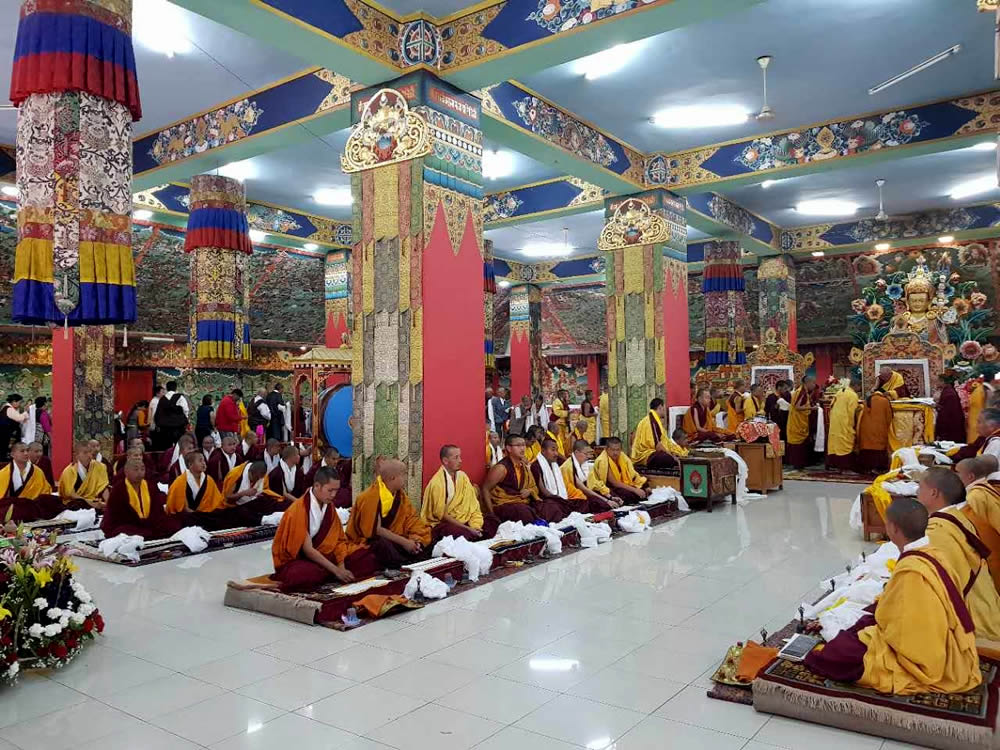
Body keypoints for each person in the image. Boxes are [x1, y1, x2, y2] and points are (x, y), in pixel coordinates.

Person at [804, 497, 980, 695]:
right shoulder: (935, 553)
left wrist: (876, 621)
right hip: (944, 637)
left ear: (894, 529)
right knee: (854, 629)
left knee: (837, 655)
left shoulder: (911, 572)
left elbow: (900, 630)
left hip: (923, 653)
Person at [916, 467, 1000, 640]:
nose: (916, 491)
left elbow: (937, 587)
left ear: (933, 493)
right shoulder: (956, 517)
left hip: (973, 623)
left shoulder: (939, 532)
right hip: (986, 605)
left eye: (920, 487)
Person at [271, 467, 379, 592]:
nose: (333, 495)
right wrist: (336, 571)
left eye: (336, 490)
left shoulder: (329, 507)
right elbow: (308, 550)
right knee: (302, 575)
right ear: (317, 486)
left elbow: (338, 540)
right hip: (299, 559)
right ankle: (328, 573)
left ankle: (327, 573)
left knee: (367, 558)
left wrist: (341, 566)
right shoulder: (298, 510)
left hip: (324, 555)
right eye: (330, 490)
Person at [347, 458, 431, 567]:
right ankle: (403, 560)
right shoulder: (369, 496)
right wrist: (405, 543)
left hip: (394, 538)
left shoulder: (400, 496)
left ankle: (409, 554)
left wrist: (415, 540)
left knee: (427, 536)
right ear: (393, 478)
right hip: (370, 540)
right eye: (404, 475)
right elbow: (375, 530)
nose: (406, 479)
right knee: (381, 545)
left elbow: (412, 519)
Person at [101, 458, 188, 540]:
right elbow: (115, 514)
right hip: (129, 523)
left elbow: (157, 510)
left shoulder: (150, 486)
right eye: (136, 470)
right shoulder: (119, 488)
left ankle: (147, 534)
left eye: (142, 469)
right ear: (126, 472)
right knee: (123, 532)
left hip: (149, 523)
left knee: (174, 524)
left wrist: (152, 521)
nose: (140, 472)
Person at [422, 445, 489, 543]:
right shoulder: (437, 483)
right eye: (456, 458)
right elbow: (441, 515)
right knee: (463, 535)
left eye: (460, 457)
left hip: (464, 518)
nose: (460, 460)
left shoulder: (462, 477)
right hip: (443, 523)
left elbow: (472, 504)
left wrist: (475, 525)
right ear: (445, 461)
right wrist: (468, 528)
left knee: (492, 523)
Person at [481, 434, 541, 525]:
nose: (522, 448)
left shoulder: (523, 466)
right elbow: (485, 489)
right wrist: (492, 514)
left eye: (523, 445)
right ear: (509, 448)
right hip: (503, 505)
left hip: (522, 502)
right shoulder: (501, 468)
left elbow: (534, 487)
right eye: (518, 445)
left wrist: (529, 491)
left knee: (547, 506)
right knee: (523, 512)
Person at [0, 442, 60, 521]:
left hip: (31, 508)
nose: (25, 453)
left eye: (27, 450)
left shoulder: (37, 472)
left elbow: (45, 492)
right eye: (22, 451)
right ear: (12, 454)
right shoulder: (3, 473)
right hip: (12, 508)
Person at [529, 438, 579, 523]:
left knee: (580, 502)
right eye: (553, 450)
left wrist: (562, 499)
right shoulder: (535, 466)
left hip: (556, 498)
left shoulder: (554, 464)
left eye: (557, 450)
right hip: (544, 500)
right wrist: (559, 499)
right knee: (555, 508)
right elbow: (544, 492)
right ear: (543, 451)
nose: (556, 454)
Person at [165, 451, 227, 518]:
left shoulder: (209, 480)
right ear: (190, 464)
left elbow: (216, 502)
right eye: (200, 461)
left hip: (207, 515)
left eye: (204, 460)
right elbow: (181, 507)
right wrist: (197, 515)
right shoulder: (180, 482)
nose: (204, 463)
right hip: (188, 517)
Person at [857, 371, 897, 473]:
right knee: (878, 449)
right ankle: (878, 468)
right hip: (879, 431)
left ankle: (866, 468)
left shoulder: (868, 400)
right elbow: (889, 418)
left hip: (866, 431)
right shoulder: (884, 401)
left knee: (867, 448)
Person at [631, 398, 688, 470]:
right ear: (660, 407)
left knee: (670, 455)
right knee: (666, 458)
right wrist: (671, 456)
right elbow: (658, 446)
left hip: (650, 452)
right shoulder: (652, 421)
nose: (664, 411)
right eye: (663, 409)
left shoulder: (652, 419)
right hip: (645, 455)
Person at [588, 436, 648, 502]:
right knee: (630, 495)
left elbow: (632, 474)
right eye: (613, 450)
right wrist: (635, 490)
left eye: (618, 450)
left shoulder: (622, 456)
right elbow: (614, 483)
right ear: (607, 449)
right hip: (607, 488)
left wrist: (642, 485)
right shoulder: (603, 461)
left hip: (623, 484)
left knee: (644, 488)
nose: (615, 453)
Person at [563, 439, 616, 512]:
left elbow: (594, 483)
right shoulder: (568, 467)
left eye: (589, 453)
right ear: (576, 452)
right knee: (601, 504)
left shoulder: (584, 464)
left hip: (585, 492)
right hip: (575, 497)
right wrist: (607, 501)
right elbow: (583, 488)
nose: (588, 456)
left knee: (610, 494)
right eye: (586, 454)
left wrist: (610, 497)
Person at [58, 442, 110, 510]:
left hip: (94, 501)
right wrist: (90, 503)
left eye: (90, 452)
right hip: (77, 502)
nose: (89, 455)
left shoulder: (99, 467)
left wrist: (108, 503)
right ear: (76, 455)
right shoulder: (69, 471)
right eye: (85, 453)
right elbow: (70, 494)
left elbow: (103, 487)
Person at [826, 377, 862, 472]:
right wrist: (853, 424)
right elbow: (852, 411)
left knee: (835, 441)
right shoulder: (853, 395)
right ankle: (845, 467)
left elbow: (831, 405)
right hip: (845, 421)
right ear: (856, 386)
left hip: (834, 421)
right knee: (846, 441)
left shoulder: (840, 392)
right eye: (859, 387)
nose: (860, 389)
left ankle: (833, 465)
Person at [786, 375, 816, 469]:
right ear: (808, 383)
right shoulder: (801, 392)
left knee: (800, 444)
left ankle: (800, 463)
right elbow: (797, 407)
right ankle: (797, 464)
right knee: (798, 444)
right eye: (813, 383)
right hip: (797, 421)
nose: (814, 385)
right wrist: (812, 408)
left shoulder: (803, 391)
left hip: (799, 420)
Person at [154, 381, 190, 450]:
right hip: (178, 426)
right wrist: (185, 420)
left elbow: (158, 413)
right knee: (179, 446)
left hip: (165, 427)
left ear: (167, 388)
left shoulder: (162, 399)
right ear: (175, 388)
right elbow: (185, 410)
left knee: (166, 446)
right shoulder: (180, 397)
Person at [935, 373, 966, 443]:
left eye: (937, 381)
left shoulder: (949, 393)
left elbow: (946, 413)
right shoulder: (947, 390)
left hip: (952, 424)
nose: (936, 383)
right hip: (951, 421)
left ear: (942, 381)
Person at [0, 394, 29, 460]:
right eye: (19, 402)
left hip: (5, 433)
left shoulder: (7, 408)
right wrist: (25, 412)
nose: (20, 404)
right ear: (14, 401)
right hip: (5, 433)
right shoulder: (9, 409)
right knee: (4, 451)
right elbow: (19, 418)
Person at [975, 408, 1000, 481]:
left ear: (991, 426)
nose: (976, 426)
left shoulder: (996, 443)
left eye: (979, 422)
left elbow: (985, 469)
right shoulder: (992, 440)